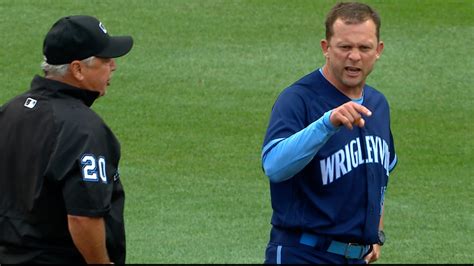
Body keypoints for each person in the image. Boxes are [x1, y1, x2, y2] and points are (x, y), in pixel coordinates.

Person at [261, 2, 398, 264]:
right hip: (301, 255)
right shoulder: (298, 99)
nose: (354, 56)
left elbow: (382, 173)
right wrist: (325, 125)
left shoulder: (378, 105)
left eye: (364, 48)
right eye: (345, 47)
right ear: (326, 48)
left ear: (378, 50)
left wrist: (375, 233)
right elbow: (274, 166)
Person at [0, 15, 133, 264]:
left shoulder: (10, 111)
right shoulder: (84, 130)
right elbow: (83, 217)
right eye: (105, 59)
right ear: (78, 69)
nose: (113, 65)